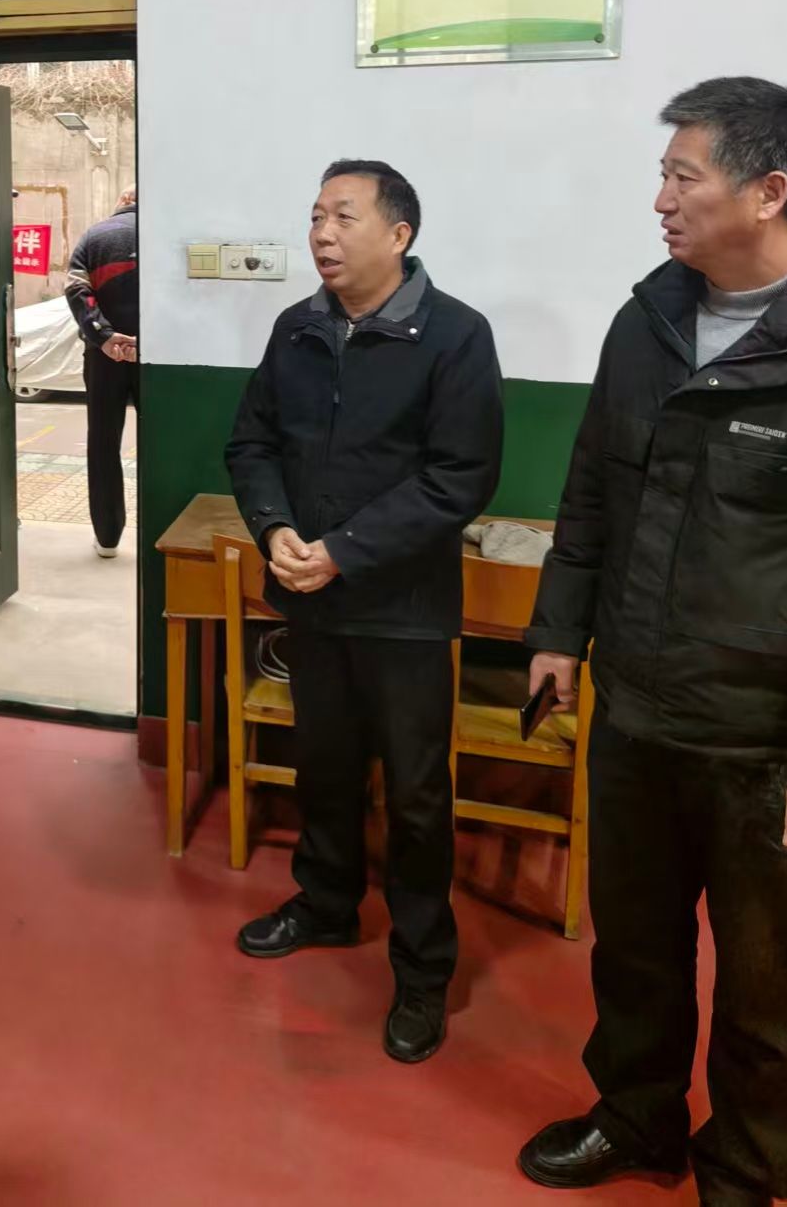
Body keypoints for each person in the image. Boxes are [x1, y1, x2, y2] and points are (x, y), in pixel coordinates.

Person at [518, 78, 787, 1207]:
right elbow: (591, 486)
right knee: (634, 944)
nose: (661, 201)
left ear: (769, 191)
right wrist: (557, 631)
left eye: (684, 177)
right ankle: (637, 1118)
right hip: (634, 706)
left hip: (759, 738)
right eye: (663, 175)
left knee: (769, 982)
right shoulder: (649, 322)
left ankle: (747, 1166)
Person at [225, 160, 503, 1065]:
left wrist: (345, 548)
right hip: (310, 599)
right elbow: (252, 442)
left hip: (404, 611)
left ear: (399, 234)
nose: (322, 234)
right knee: (325, 767)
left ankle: (421, 971)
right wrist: (274, 529)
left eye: (344, 217)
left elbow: (460, 477)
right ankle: (326, 904)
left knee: (417, 797)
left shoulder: (456, 336)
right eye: (315, 216)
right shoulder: (297, 328)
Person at [65, 185, 137, 558]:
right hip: (153, 357)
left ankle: (108, 538)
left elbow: (76, 290)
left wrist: (105, 337)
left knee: (104, 443)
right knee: (158, 445)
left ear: (123, 200)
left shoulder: (94, 236)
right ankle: (159, 530)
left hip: (103, 358)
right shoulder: (161, 234)